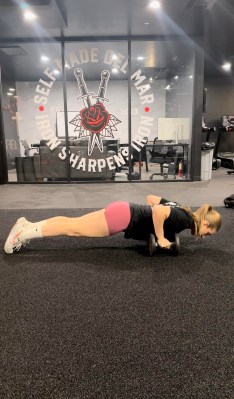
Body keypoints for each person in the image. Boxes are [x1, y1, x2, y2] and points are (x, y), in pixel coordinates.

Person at [4, 196, 222, 254]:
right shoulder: (184, 220)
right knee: (73, 229)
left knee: (73, 223)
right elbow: (157, 210)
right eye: (208, 232)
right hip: (123, 218)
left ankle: (27, 224)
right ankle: (21, 236)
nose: (204, 236)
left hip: (123, 208)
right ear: (204, 222)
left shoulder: (182, 209)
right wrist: (161, 236)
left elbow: (152, 198)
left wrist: (144, 220)